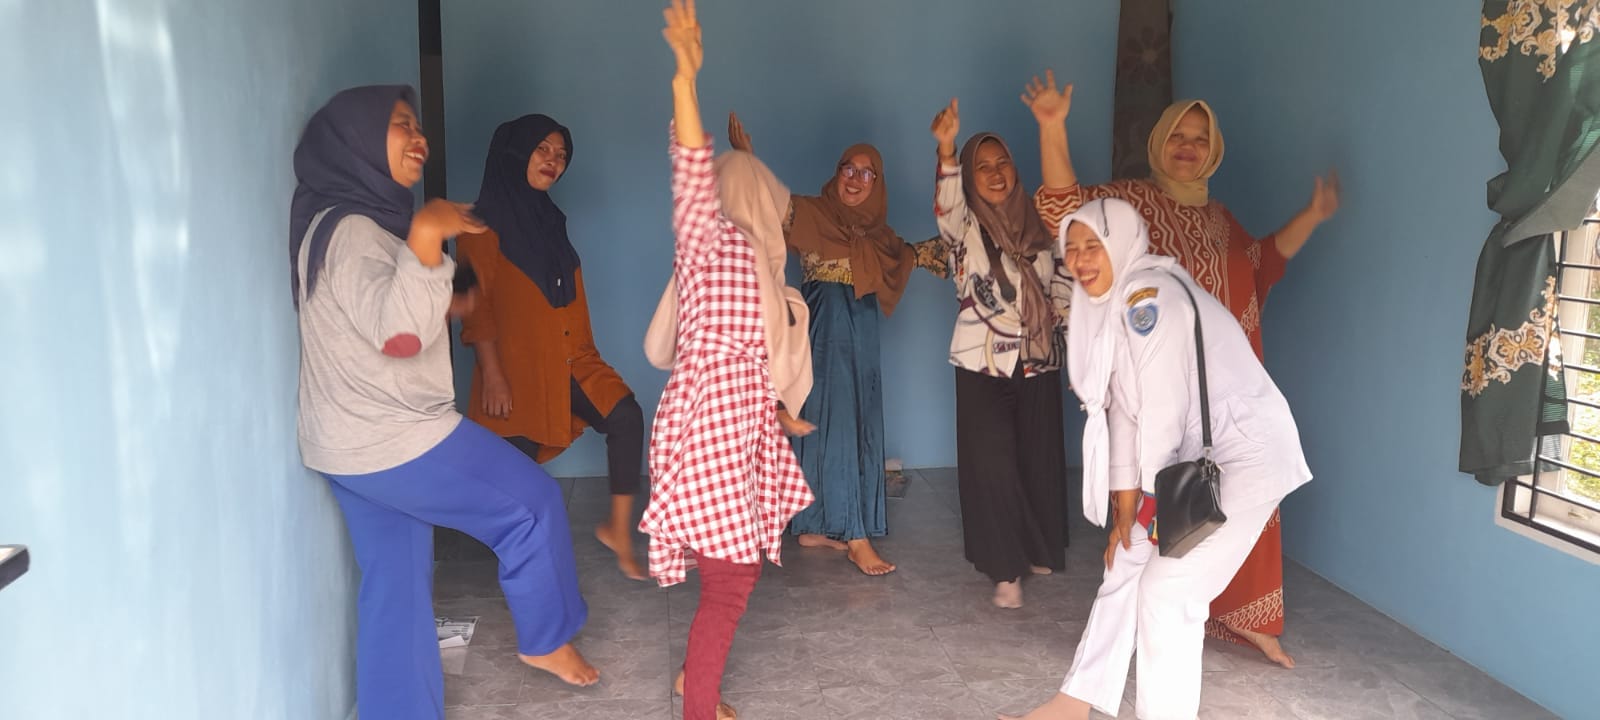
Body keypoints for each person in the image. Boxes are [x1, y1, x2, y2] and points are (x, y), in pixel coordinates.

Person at [288, 85, 597, 720]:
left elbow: (375, 316)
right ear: (355, 140)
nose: (419, 137)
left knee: (396, 583)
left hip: (345, 443)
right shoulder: (352, 230)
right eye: (401, 124)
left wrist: (445, 289)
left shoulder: (341, 223)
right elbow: (399, 337)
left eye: (418, 125)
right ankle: (545, 640)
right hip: (394, 436)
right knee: (532, 506)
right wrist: (429, 229)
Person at [1025, 70, 1339, 664]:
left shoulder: (1220, 217)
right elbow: (1069, 212)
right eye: (1177, 136)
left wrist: (1314, 214)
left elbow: (1261, 262)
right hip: (1156, 385)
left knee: (1229, 501)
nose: (1188, 147)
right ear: (1158, 143)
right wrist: (1052, 128)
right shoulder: (1132, 204)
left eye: (1200, 138)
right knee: (1161, 503)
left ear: (1213, 149)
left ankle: (1244, 617)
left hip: (1224, 392)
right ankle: (1132, 627)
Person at [1001, 197, 1312, 720]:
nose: (1080, 260)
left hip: (1246, 457)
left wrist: (1146, 505)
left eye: (1094, 245)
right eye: (1071, 248)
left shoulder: (1149, 299)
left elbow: (1162, 410)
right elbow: (1125, 410)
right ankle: (1072, 705)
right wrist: (1126, 507)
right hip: (1197, 459)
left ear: (1122, 242)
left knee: (1169, 593)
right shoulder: (1111, 306)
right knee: (1126, 563)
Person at [639, 2, 815, 717]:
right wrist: (685, 81)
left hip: (735, 424)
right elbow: (689, 173)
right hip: (710, 424)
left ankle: (694, 682)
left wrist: (778, 416)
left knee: (728, 574)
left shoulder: (762, 270)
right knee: (732, 578)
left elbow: (765, 358)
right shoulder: (709, 241)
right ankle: (698, 703)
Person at [725, 114, 947, 576]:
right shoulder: (812, 212)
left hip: (861, 326)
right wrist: (747, 160)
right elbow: (766, 205)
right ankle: (855, 536)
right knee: (837, 421)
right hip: (825, 324)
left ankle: (814, 524)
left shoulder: (880, 236)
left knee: (850, 418)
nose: (855, 179)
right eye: (849, 168)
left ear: (877, 184)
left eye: (867, 173)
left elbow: (915, 255)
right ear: (837, 172)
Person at [458, 113, 648, 580]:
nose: (553, 161)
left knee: (625, 416)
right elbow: (476, 308)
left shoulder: (551, 221)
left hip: (573, 359)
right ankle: (523, 572)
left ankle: (618, 531)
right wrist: (493, 376)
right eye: (542, 149)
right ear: (515, 152)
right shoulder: (476, 226)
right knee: (515, 477)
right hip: (516, 369)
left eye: (561, 155)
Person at [930, 98, 1071, 609]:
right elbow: (947, 206)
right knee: (992, 463)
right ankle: (1004, 568)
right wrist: (948, 150)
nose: (994, 173)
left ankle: (1038, 548)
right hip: (981, 361)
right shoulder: (964, 227)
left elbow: (1064, 279)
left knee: (1038, 456)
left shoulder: (1041, 224)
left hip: (1038, 356)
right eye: (982, 167)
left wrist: (1067, 328)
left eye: (1002, 163)